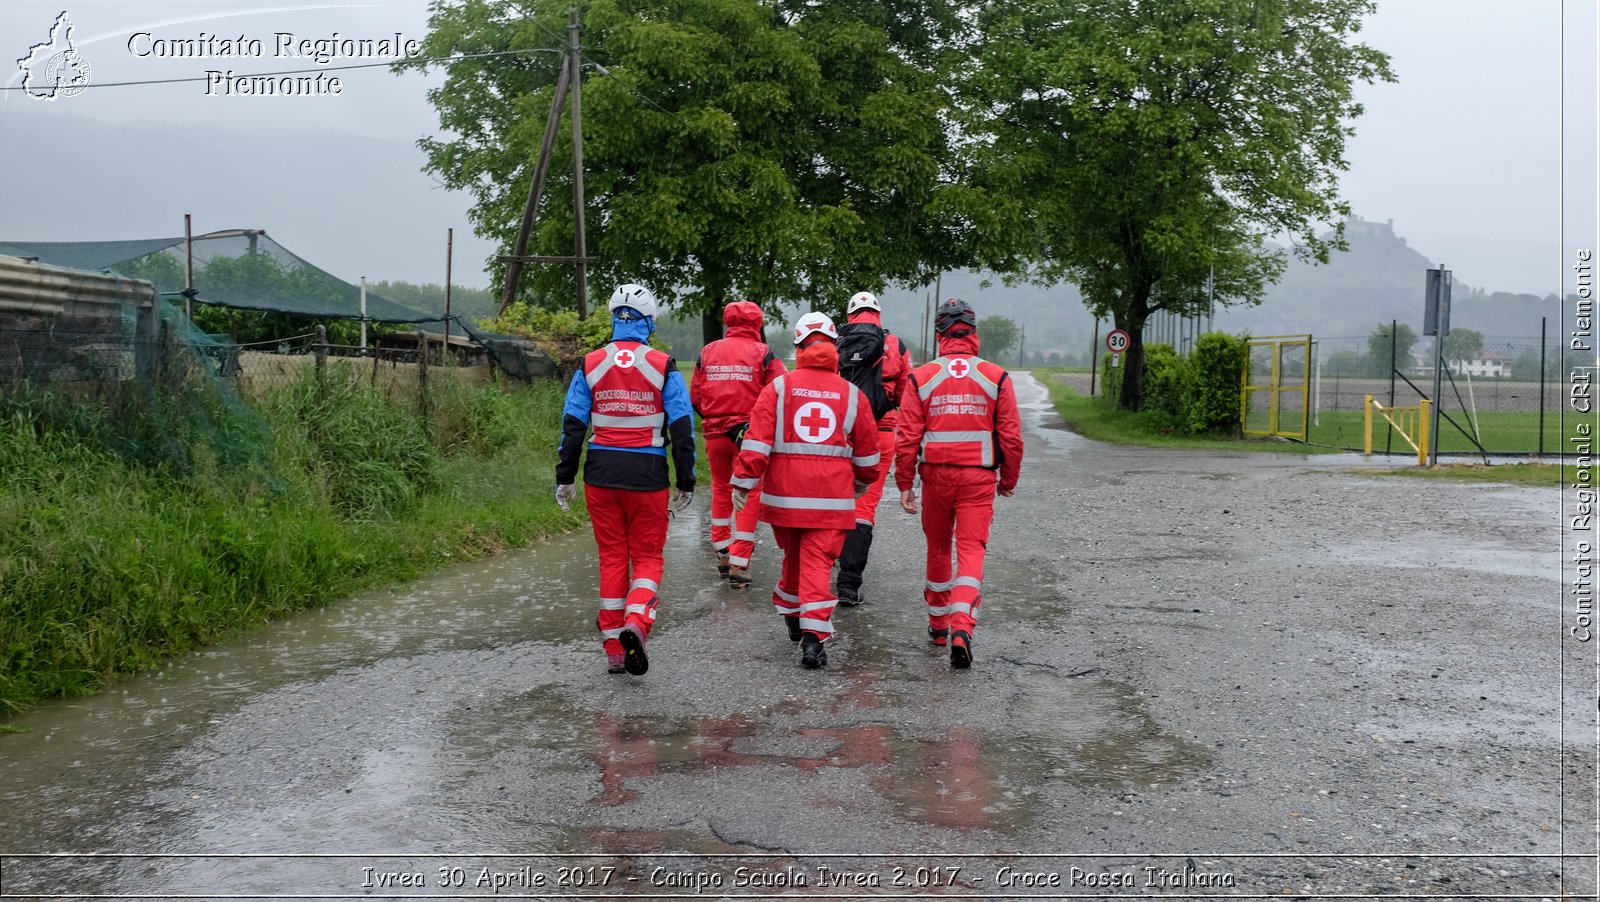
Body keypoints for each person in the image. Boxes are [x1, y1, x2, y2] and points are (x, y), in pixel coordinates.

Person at [555, 284, 696, 676]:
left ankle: (615, 648)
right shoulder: (663, 364)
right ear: (649, 321)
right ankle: (638, 622)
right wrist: (687, 480)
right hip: (647, 476)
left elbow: (572, 425)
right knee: (648, 557)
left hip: (600, 474)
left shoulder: (590, 363)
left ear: (614, 318)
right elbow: (683, 428)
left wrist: (564, 477)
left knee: (613, 558)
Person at [730, 312, 882, 669]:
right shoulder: (852, 394)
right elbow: (869, 452)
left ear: (798, 346)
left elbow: (756, 443)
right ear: (834, 347)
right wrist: (861, 481)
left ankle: (793, 614)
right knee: (816, 561)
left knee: (795, 557)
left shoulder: (779, 388)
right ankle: (813, 637)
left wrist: (743, 481)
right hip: (831, 500)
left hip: (783, 500)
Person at [895, 298, 1023, 669]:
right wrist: (1008, 479)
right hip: (979, 479)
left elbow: (906, 437)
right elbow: (1011, 437)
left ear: (939, 336)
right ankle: (961, 627)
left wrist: (905, 482)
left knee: (938, 549)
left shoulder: (921, 376)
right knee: (971, 551)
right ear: (975, 334)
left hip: (935, 478)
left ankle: (937, 625)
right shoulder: (995, 376)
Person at [689, 300, 787, 588]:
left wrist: (713, 418)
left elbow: (695, 396)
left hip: (715, 433)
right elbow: (781, 390)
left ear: (728, 322)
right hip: (750, 434)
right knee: (749, 491)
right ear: (758, 324)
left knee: (721, 489)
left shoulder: (708, 351)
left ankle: (722, 553)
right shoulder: (763, 353)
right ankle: (739, 564)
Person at [833, 290, 913, 606]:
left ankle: (819, 564)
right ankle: (849, 585)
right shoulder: (895, 345)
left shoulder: (834, 339)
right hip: (882, 432)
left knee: (833, 497)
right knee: (864, 506)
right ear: (878, 314)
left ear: (850, 313)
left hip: (840, 432)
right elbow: (907, 397)